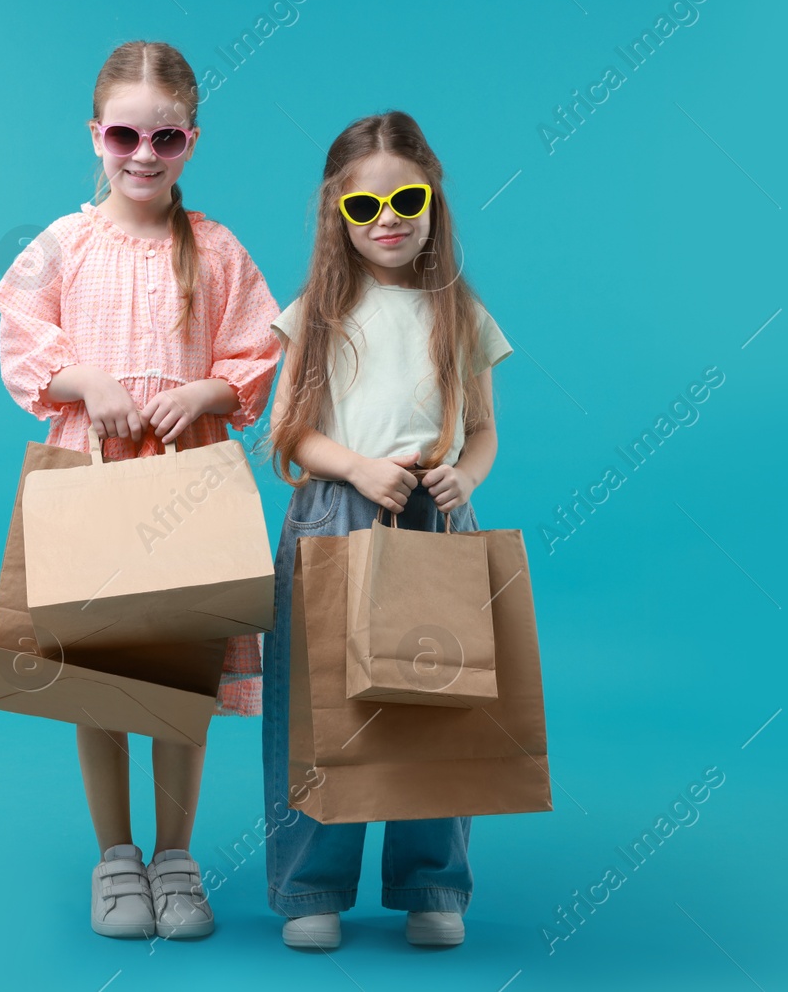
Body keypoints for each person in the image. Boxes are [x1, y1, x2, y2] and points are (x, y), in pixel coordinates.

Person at [0, 40, 280, 941]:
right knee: (99, 670)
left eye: (166, 139)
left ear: (192, 141)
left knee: (179, 673)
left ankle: (176, 856)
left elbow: (258, 348)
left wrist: (214, 390)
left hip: (186, 483)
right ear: (96, 134)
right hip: (92, 474)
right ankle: (116, 856)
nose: (143, 156)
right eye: (125, 135)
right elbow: (21, 331)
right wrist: (85, 379)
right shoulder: (63, 244)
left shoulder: (218, 250)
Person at [261, 110, 513, 949]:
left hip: (434, 517)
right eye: (364, 207)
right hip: (338, 512)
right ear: (338, 213)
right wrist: (358, 467)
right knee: (320, 702)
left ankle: (432, 880)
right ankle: (311, 885)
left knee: (437, 699)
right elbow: (286, 432)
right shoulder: (317, 310)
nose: (388, 220)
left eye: (406, 199)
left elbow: (482, 430)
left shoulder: (459, 312)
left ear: (433, 197)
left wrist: (464, 476)